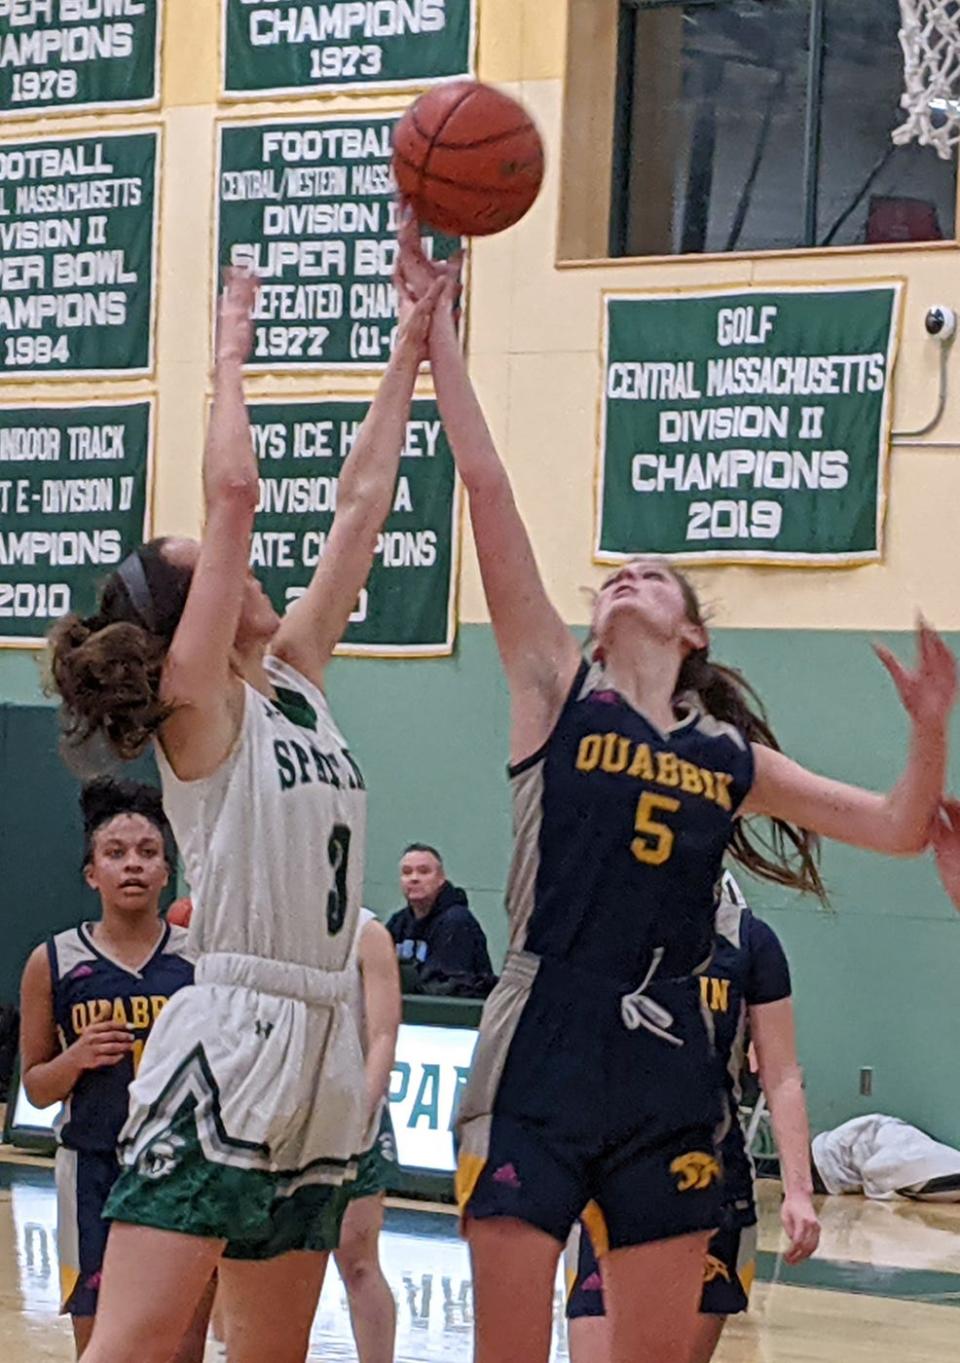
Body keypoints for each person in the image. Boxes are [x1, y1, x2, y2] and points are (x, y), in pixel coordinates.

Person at [397, 228, 957, 1363]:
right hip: (545, 1027)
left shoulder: (730, 755)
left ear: (690, 629)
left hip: (668, 1067)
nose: (627, 576)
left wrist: (931, 730)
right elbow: (490, 491)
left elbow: (899, 828)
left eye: (653, 572)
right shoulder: (556, 692)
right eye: (615, 573)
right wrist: (438, 337)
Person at [46, 257, 444, 1363]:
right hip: (231, 1034)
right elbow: (234, 496)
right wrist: (229, 350)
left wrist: (410, 344)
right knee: (127, 1345)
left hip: (318, 1040)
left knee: (273, 1354)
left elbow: (362, 505)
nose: (251, 566)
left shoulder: (299, 679)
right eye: (219, 569)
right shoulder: (198, 705)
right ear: (191, 616)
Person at [566, 870, 820, 1363]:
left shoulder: (749, 941)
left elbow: (782, 1074)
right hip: (613, 1183)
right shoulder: (608, 927)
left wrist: (799, 1191)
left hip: (713, 1185)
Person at [18, 779, 208, 1360]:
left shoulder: (199, 958)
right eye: (116, 853)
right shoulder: (52, 961)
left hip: (181, 1168)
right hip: (92, 1166)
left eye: (148, 853)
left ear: (167, 874)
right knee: (99, 1342)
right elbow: (36, 1087)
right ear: (91, 873)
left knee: (181, 1346)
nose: (133, 865)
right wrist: (74, 1059)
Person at [334, 908, 402, 1363]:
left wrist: (360, 1114)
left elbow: (383, 1035)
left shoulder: (366, 931)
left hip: (350, 1116)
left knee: (357, 1260)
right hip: (271, 1116)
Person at [387, 843, 495, 995]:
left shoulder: (457, 922)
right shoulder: (398, 923)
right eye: (407, 872)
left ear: (441, 878)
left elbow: (448, 987)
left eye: (424, 872)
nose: (414, 878)